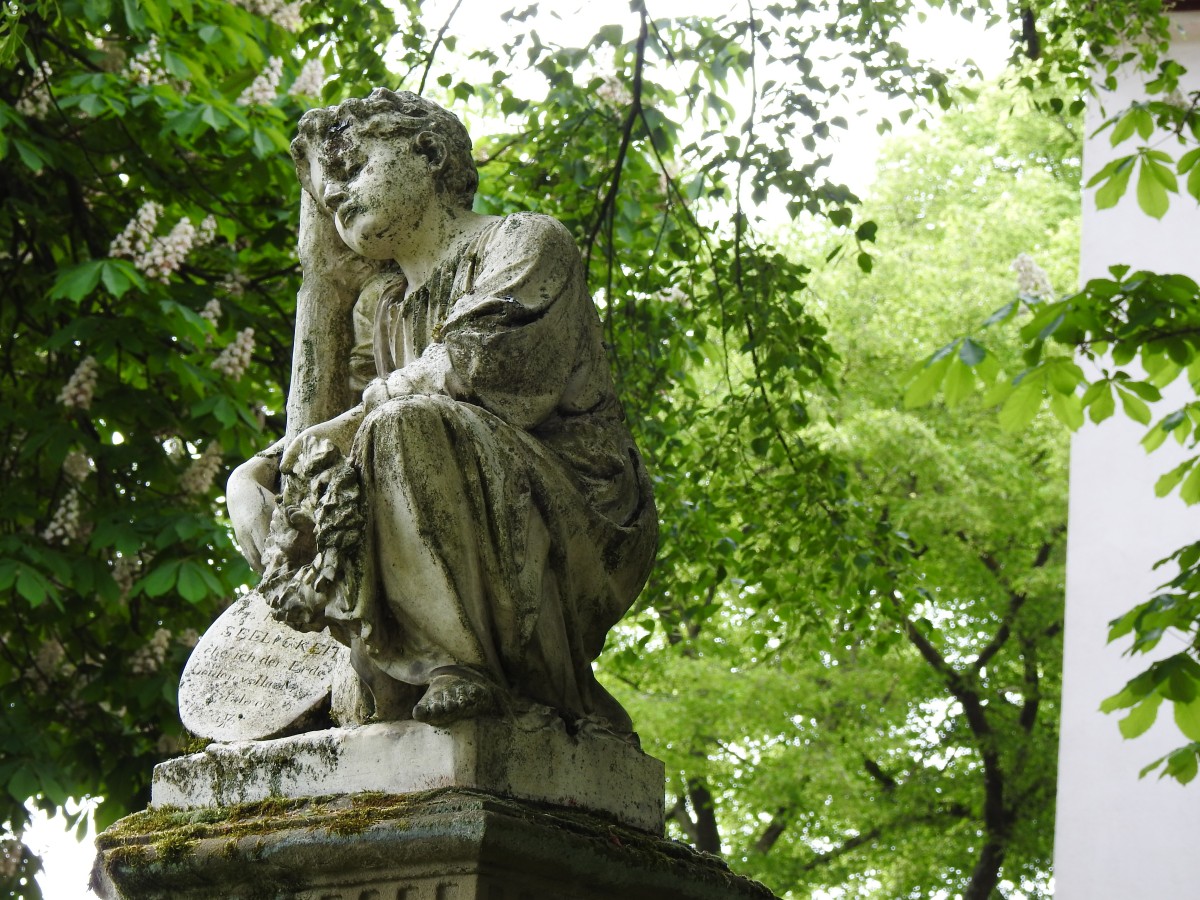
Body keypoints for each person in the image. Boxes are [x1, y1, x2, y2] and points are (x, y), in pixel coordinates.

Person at [226, 89, 657, 733]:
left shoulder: (525, 243)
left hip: (569, 512)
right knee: (386, 438)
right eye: (324, 193)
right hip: (442, 469)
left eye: (350, 167)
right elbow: (330, 441)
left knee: (404, 425)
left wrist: (306, 449)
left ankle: (463, 664)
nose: (335, 196)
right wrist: (253, 474)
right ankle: (414, 661)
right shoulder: (386, 307)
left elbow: (469, 371)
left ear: (425, 150)